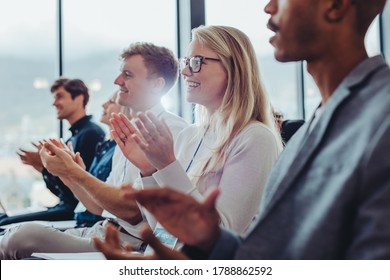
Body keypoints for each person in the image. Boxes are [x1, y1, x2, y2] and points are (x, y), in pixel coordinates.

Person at [95, 0, 390, 260]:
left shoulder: (378, 116)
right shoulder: (318, 123)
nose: (268, 7)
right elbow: (271, 252)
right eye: (187, 63)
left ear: (336, 5)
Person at [0, 42, 188, 259]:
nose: (117, 81)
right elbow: (98, 208)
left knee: (21, 237)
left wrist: (74, 172)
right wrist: (69, 174)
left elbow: (132, 212)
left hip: (130, 242)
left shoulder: (173, 131)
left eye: (127, 75)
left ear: (156, 85)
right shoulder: (127, 132)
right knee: (11, 234)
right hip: (103, 228)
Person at [110, 25, 282, 236]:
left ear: (233, 68)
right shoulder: (190, 135)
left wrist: (166, 165)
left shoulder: (255, 138)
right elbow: (161, 228)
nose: (184, 71)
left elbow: (221, 233)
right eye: (186, 62)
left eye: (196, 62)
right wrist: (149, 170)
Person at [0, 78, 105, 226]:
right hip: (67, 207)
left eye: (60, 96)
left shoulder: (91, 134)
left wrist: (46, 168)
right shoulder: (77, 136)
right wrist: (44, 169)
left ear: (79, 98)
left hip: (75, 211)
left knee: (4, 223)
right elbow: (63, 193)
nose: (54, 103)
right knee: (3, 219)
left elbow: (76, 193)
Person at [73, 91, 123, 227]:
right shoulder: (103, 147)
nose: (104, 104)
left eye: (112, 102)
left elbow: (102, 204)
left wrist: (71, 173)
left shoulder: (121, 150)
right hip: (83, 221)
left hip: (95, 225)